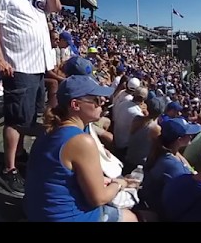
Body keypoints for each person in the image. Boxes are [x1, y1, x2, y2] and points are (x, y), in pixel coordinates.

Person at [23, 75, 138, 222]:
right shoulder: (81, 140)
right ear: (75, 105)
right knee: (132, 217)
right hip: (64, 218)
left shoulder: (49, 131)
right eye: (97, 100)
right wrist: (119, 183)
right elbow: (98, 199)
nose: (102, 103)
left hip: (39, 213)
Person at [0, 0, 62, 196]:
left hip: (37, 66)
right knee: (15, 119)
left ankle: (19, 154)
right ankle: (8, 170)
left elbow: (55, 7)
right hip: (18, 64)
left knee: (26, 117)